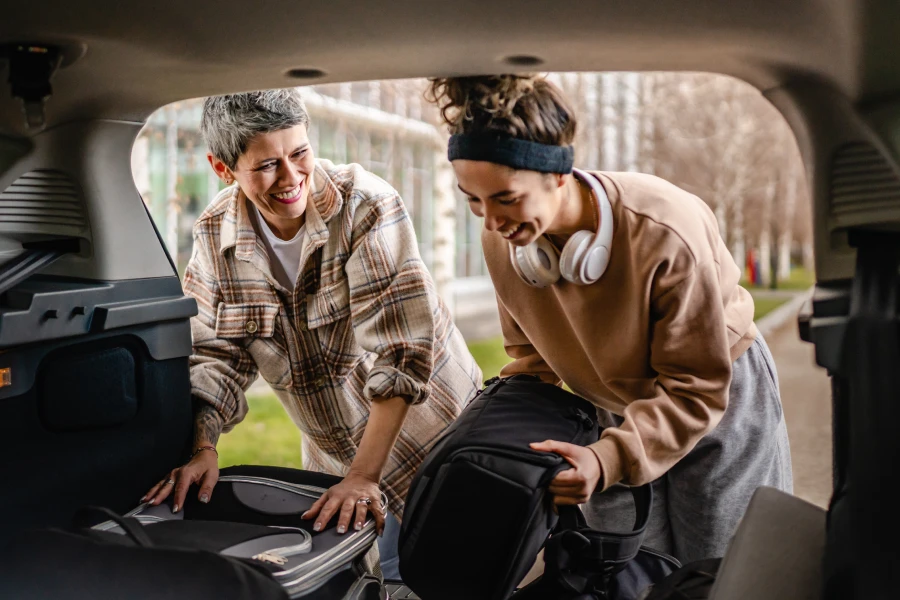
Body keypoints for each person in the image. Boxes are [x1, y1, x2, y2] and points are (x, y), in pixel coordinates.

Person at [425, 74, 792, 563]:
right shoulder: (506, 242)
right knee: (626, 573)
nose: (490, 222)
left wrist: (609, 458)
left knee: (722, 572)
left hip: (716, 400)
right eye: (473, 201)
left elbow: (697, 386)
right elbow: (531, 360)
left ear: (558, 174)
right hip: (606, 408)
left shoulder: (665, 231)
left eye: (506, 198)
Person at [142, 89, 482, 578]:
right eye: (266, 166)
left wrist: (365, 476)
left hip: (432, 440)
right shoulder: (215, 233)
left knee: (461, 577)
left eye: (299, 153)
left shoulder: (366, 205)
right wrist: (204, 447)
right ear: (223, 169)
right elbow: (215, 353)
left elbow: (401, 354)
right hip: (333, 456)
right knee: (362, 583)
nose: (291, 177)